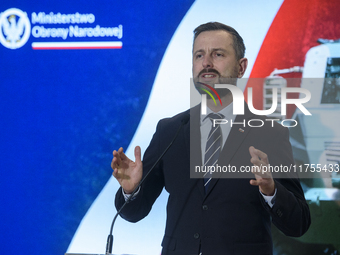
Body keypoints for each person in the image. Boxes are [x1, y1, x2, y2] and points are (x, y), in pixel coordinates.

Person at [111, 22, 311, 255]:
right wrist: (131, 191)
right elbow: (135, 212)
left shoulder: (269, 132)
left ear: (241, 67)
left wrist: (271, 190)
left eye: (218, 54)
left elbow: (299, 223)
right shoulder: (170, 130)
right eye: (199, 55)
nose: (206, 63)